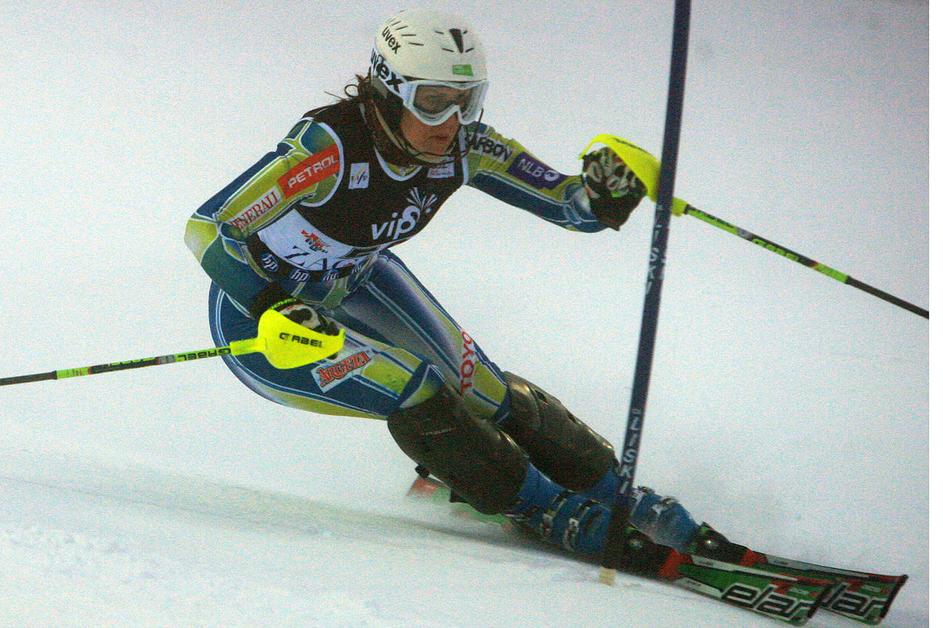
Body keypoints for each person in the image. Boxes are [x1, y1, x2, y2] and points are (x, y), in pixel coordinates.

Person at [185, 8, 703, 566]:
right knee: (415, 387)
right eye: (432, 101)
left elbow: (568, 205)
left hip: (357, 280)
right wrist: (271, 305)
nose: (451, 121)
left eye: (466, 100)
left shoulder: (466, 147)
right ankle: (541, 505)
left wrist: (606, 193)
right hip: (260, 321)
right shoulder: (329, 150)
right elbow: (208, 227)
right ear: (387, 93)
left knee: (484, 390)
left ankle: (612, 491)